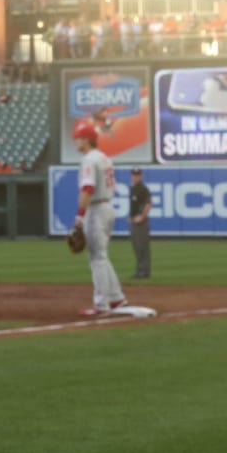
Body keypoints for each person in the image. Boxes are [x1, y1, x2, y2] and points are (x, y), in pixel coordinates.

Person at [70, 124, 125, 315]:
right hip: (107, 206)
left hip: (96, 209)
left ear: (86, 139)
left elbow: (87, 188)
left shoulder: (89, 159)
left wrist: (79, 216)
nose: (75, 141)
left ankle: (101, 304)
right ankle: (116, 297)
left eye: (77, 137)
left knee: (97, 258)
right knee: (101, 255)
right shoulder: (104, 157)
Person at [128, 167, 152, 280]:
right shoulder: (133, 188)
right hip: (133, 221)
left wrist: (142, 216)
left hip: (141, 222)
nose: (135, 177)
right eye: (133, 175)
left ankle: (144, 271)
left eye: (137, 175)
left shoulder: (143, 189)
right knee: (136, 247)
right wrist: (131, 218)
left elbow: (148, 204)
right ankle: (139, 270)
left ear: (141, 176)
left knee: (142, 246)